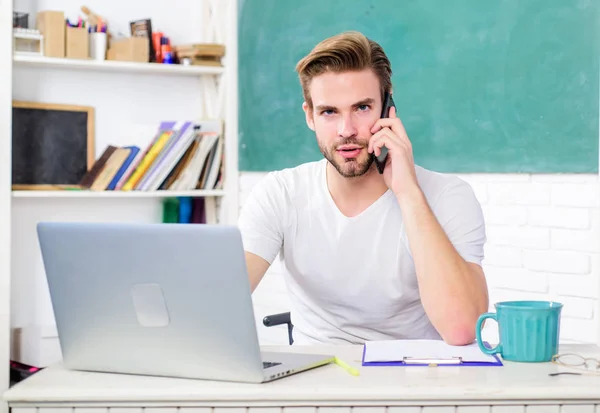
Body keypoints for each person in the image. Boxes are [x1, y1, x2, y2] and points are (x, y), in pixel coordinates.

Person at [238, 31, 489, 346]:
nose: (346, 130)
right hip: (315, 381)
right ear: (310, 116)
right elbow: (221, 299)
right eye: (329, 112)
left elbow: (464, 328)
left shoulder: (447, 196)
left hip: (413, 380)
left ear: (387, 108)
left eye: (361, 108)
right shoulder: (281, 193)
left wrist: (408, 193)